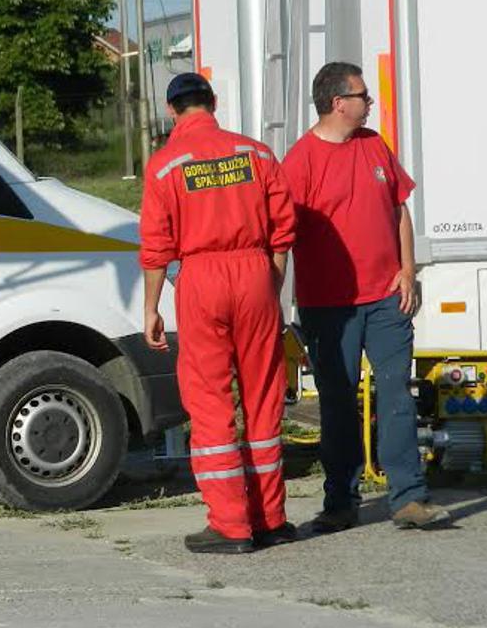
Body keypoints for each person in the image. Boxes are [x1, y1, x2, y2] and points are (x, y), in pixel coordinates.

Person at [281, 62, 449, 531]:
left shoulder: (373, 144)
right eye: (362, 95)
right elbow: (281, 235)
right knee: (338, 402)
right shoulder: (300, 162)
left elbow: (399, 210)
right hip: (328, 307)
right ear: (338, 103)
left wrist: (407, 270)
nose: (369, 102)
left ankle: (409, 499)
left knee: (396, 393)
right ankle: (340, 503)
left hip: (385, 298)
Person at [141, 72, 297, 554]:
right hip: (255, 273)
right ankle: (271, 518)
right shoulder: (256, 154)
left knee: (210, 400)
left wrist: (151, 309)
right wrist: (269, 286)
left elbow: (156, 248)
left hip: (202, 278)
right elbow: (283, 231)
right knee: (263, 395)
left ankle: (230, 525)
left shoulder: (165, 166)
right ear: (213, 102)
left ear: (171, 111)